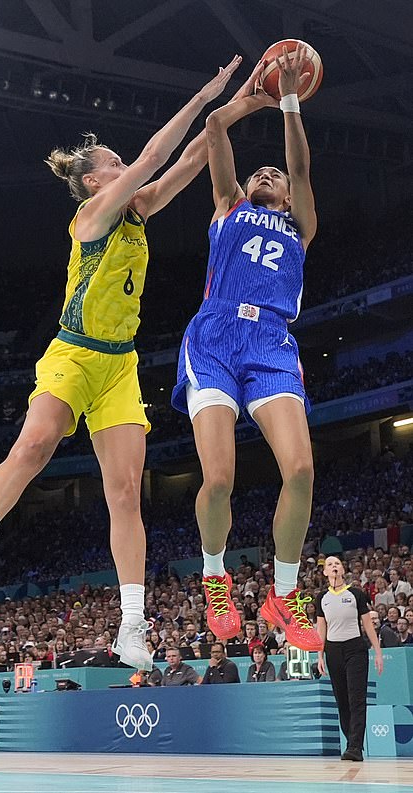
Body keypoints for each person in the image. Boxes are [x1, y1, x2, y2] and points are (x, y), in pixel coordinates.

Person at [0, 55, 251, 672]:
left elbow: (191, 159)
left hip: (119, 367)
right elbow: (158, 156)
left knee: (126, 492)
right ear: (92, 182)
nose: (122, 163)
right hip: (73, 354)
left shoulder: (138, 207)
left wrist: (243, 105)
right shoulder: (92, 215)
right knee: (36, 444)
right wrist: (206, 90)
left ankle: (132, 626)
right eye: (113, 161)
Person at [171, 44, 322, 653]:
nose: (268, 174)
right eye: (261, 171)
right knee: (218, 480)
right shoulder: (229, 206)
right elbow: (212, 128)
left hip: (272, 343)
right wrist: (248, 99)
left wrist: (288, 101)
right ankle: (214, 577)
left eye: (275, 175)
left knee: (303, 470)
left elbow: (304, 171)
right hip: (214, 337)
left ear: (286, 195)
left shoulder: (300, 226)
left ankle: (283, 594)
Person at [315, 556, 383, 762]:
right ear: (325, 572)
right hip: (333, 651)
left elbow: (367, 625)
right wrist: (320, 654)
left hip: (355, 649)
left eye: (337, 564)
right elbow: (321, 628)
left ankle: (355, 747)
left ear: (343, 569)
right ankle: (351, 742)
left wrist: (378, 652)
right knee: (342, 701)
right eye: (330, 565)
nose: (334, 567)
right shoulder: (321, 598)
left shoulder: (356, 594)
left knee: (356, 699)